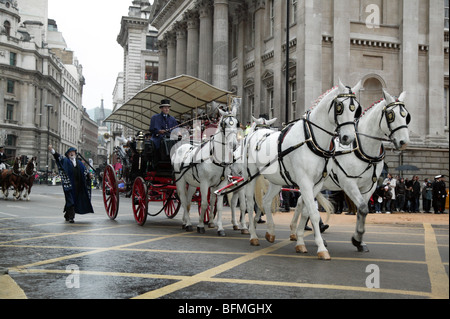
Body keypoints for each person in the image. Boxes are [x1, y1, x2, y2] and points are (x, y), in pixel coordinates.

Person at [48, 145, 94, 223]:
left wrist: (89, 175)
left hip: (78, 185)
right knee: (70, 201)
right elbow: (58, 157)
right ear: (68, 154)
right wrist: (52, 150)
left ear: (75, 154)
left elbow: (85, 172)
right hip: (69, 185)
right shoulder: (65, 161)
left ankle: (67, 214)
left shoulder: (79, 163)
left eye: (73, 152)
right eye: (70, 153)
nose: (72, 154)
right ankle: (71, 217)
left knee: (73, 201)